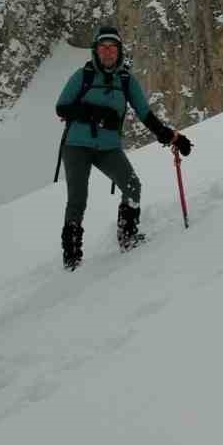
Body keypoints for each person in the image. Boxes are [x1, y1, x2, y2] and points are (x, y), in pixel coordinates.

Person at [55, 24, 192, 270]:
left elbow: (146, 115)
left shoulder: (126, 80)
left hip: (107, 148)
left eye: (113, 48)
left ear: (119, 52)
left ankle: (127, 237)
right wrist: (95, 113)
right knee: (77, 199)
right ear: (96, 51)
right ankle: (72, 259)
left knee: (132, 185)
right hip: (76, 146)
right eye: (103, 47)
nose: (108, 52)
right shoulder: (83, 76)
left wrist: (172, 137)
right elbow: (62, 107)